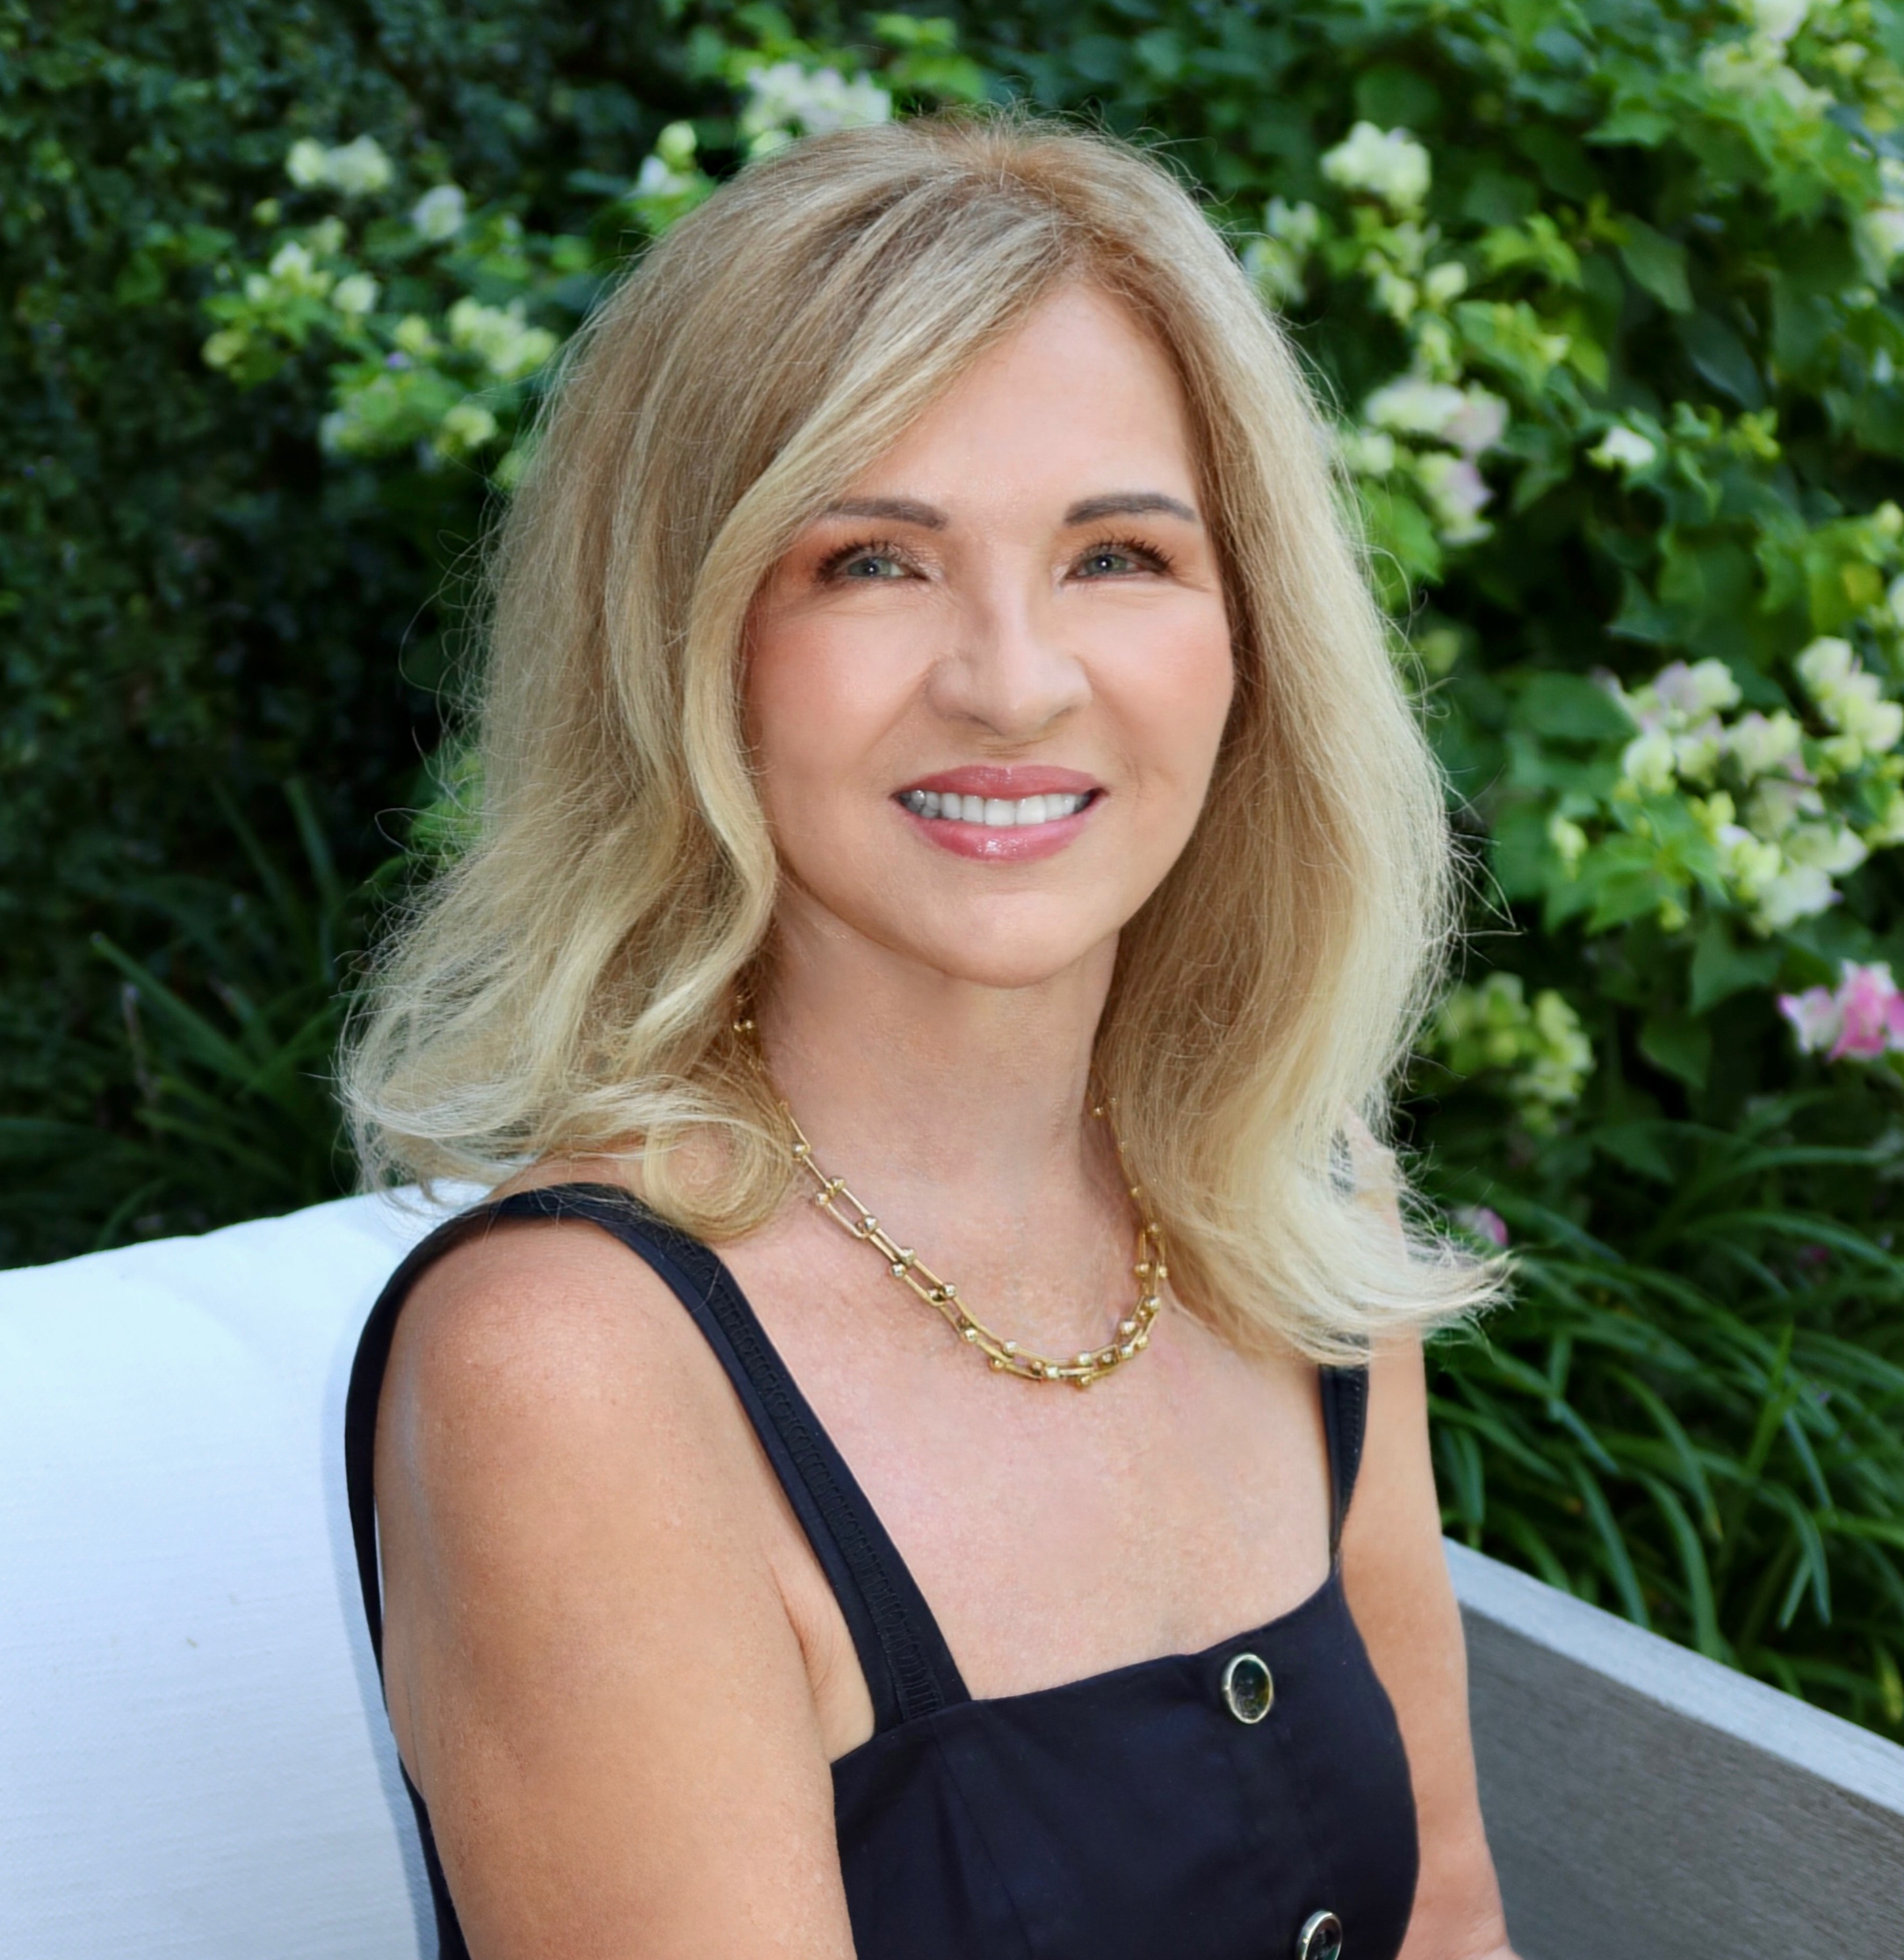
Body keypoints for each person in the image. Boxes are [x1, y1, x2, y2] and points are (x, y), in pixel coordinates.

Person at [342, 111, 1517, 1960]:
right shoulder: (580, 1367)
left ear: (1251, 637)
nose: (1011, 678)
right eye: (872, 563)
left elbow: (1445, 1926)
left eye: (1117, 556)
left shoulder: (1297, 1199)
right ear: (684, 642)